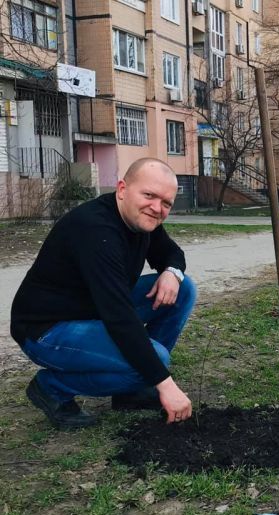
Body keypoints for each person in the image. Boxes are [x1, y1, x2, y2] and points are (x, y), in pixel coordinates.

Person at [11, 158, 197, 430]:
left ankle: (132, 388)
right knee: (156, 360)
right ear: (122, 189)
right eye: (149, 195)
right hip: (47, 329)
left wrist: (172, 272)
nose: (157, 208)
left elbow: (171, 253)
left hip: (93, 310)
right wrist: (165, 384)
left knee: (184, 288)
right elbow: (119, 315)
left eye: (166, 203)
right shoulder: (96, 230)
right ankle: (52, 387)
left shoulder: (141, 219)